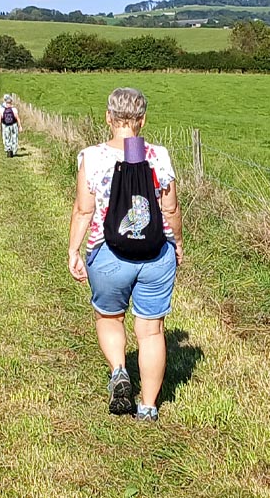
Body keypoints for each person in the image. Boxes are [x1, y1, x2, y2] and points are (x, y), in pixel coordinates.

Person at [67, 88, 183, 422]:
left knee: (109, 317)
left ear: (108, 117)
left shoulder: (91, 157)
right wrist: (177, 245)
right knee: (151, 331)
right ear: (143, 119)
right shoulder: (159, 156)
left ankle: (119, 371)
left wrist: (74, 250)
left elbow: (83, 210)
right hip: (155, 253)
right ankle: (147, 406)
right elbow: (171, 210)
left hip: (108, 254)